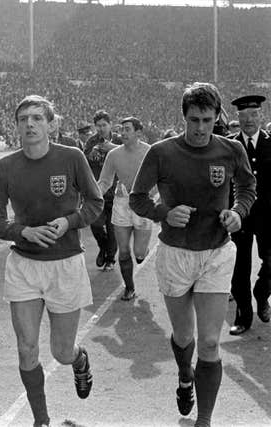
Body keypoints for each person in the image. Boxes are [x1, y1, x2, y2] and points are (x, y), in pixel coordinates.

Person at [129, 83, 256, 427]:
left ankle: (204, 419)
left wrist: (238, 212)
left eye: (207, 120)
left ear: (217, 118)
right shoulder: (161, 152)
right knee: (184, 337)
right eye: (193, 120)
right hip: (175, 254)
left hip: (216, 253)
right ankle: (185, 374)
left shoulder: (231, 150)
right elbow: (137, 197)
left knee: (211, 342)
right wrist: (163, 213)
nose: (200, 128)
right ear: (183, 117)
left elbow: (247, 187)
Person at [0, 95, 103, 427]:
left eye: (37, 118)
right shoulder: (5, 167)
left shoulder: (71, 158)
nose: (30, 124)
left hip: (65, 263)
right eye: (23, 118)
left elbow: (95, 204)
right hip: (24, 265)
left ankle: (79, 360)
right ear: (17, 126)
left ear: (52, 124)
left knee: (61, 353)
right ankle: (41, 420)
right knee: (26, 348)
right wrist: (23, 232)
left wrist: (69, 222)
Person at [228, 94, 271, 335]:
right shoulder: (230, 146)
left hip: (269, 215)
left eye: (253, 114)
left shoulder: (270, 142)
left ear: (260, 115)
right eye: (243, 116)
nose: (248, 120)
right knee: (239, 266)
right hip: (240, 216)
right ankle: (243, 315)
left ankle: (262, 293)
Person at [98, 117, 153, 301]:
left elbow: (162, 178)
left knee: (138, 253)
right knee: (123, 250)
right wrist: (93, 197)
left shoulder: (150, 152)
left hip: (143, 203)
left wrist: (153, 196)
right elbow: (105, 181)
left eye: (127, 129)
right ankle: (129, 288)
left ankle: (141, 252)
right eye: (121, 129)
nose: (123, 133)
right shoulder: (114, 155)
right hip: (121, 203)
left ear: (138, 132)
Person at [84, 110, 121, 270]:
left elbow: (127, 153)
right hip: (98, 191)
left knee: (112, 228)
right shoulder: (92, 141)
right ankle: (103, 248)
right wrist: (89, 154)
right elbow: (83, 163)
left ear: (110, 124)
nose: (101, 128)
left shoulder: (119, 140)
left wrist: (110, 148)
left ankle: (111, 259)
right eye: (98, 126)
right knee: (96, 225)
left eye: (104, 125)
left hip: (116, 191)